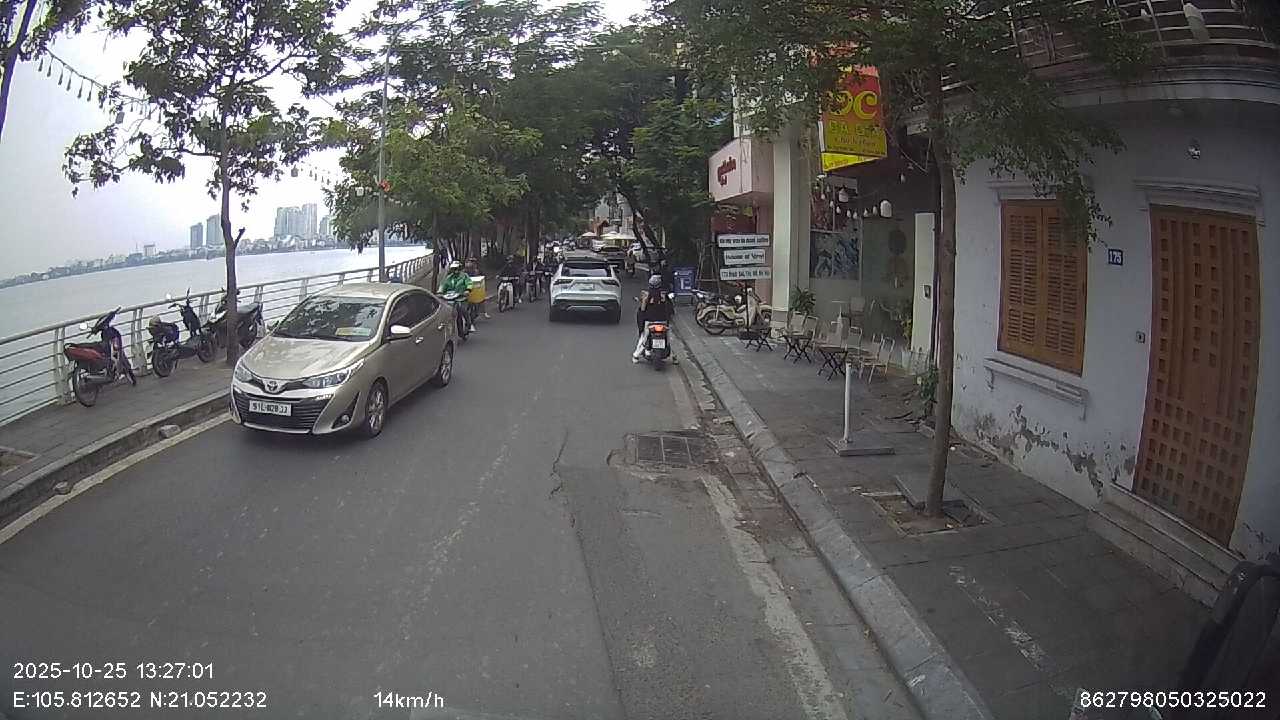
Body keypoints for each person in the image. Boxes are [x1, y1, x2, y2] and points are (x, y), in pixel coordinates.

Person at [633, 275, 678, 364]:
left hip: (650, 321)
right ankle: (674, 357)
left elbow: (642, 309)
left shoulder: (646, 295)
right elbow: (670, 308)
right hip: (663, 321)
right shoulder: (664, 294)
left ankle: (636, 356)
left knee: (643, 337)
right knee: (668, 339)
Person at [441, 261, 476, 334]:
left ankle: (469, 324)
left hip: (462, 298)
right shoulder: (449, 278)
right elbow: (443, 286)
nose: (455, 271)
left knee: (463, 310)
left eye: (457, 269)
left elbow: (469, 283)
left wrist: (467, 290)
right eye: (454, 269)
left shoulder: (464, 276)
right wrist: (440, 292)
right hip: (450, 299)